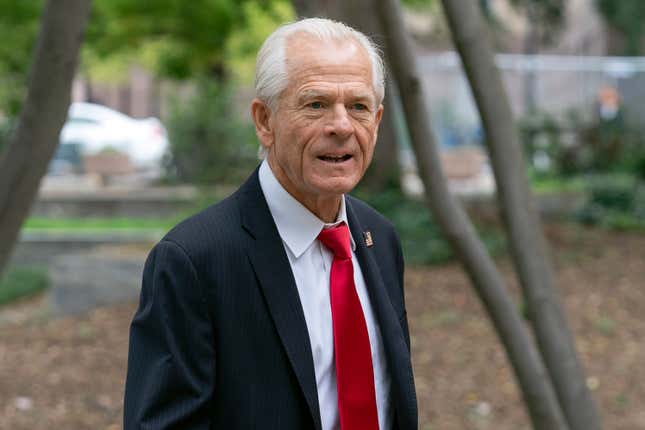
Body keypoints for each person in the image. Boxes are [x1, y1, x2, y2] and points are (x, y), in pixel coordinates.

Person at [124, 18, 418, 430]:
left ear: (378, 119)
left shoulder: (379, 239)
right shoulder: (193, 261)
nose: (341, 126)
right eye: (315, 104)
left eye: (358, 106)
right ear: (265, 121)